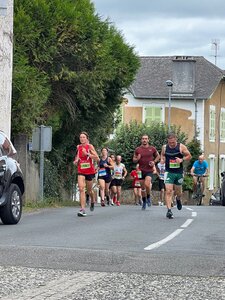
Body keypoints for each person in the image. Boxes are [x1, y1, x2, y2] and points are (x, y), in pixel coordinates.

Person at [161, 132, 192, 219]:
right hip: (168, 172)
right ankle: (169, 211)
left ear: (176, 140)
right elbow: (162, 155)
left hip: (178, 172)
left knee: (178, 192)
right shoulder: (164, 147)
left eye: (173, 142)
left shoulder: (181, 147)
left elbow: (189, 156)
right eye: (170, 142)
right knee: (169, 191)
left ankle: (178, 199)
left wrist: (182, 159)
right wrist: (162, 160)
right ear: (168, 141)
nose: (172, 144)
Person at [74, 132, 99, 217]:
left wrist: (87, 154)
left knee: (89, 190)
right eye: (80, 137)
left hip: (90, 171)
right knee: (81, 189)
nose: (82, 139)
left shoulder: (90, 146)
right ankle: (82, 209)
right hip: (81, 170)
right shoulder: (78, 147)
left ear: (87, 138)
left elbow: (97, 158)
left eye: (83, 137)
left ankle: (92, 199)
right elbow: (77, 156)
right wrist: (76, 160)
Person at [133, 134, 160, 210]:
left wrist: (154, 162)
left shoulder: (152, 149)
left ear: (148, 140)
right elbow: (133, 160)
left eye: (146, 139)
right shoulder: (138, 149)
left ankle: (148, 197)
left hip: (149, 170)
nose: (144, 140)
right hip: (141, 171)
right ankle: (144, 202)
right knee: (142, 188)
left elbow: (158, 156)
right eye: (143, 139)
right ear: (141, 140)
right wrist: (137, 159)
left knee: (147, 184)